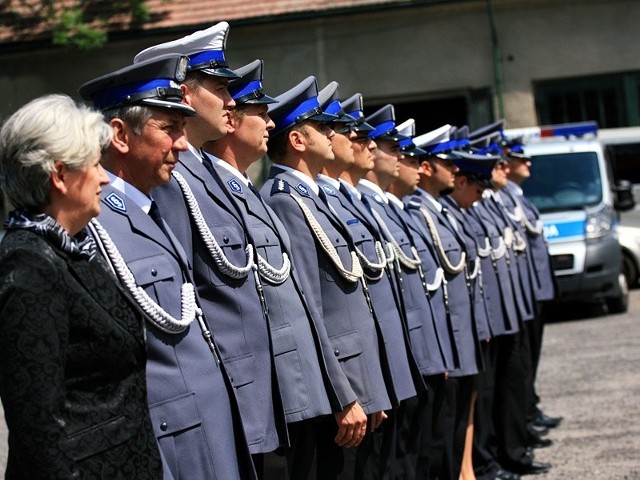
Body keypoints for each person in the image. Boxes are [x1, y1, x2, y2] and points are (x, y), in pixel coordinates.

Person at [79, 54, 257, 479]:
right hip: (171, 445)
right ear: (120, 135)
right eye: (169, 129)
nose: (181, 144)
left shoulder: (151, 210)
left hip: (206, 431)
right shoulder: (96, 227)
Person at [133, 23, 288, 474]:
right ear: (185, 93)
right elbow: (182, 292)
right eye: (220, 89)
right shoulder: (174, 176)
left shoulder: (210, 171)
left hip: (255, 386)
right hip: (229, 389)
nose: (232, 101)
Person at [0, 94, 163, 479]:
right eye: (94, 165)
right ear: (59, 175)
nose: (105, 177)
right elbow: (37, 424)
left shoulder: (74, 249)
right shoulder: (29, 265)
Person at [200, 59, 339, 480]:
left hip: (293, 382)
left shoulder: (249, 191)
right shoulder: (244, 193)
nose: (269, 122)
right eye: (260, 113)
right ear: (230, 123)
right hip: (267, 387)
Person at [262, 76, 392, 480]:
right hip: (339, 381)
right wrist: (343, 392)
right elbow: (310, 306)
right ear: (298, 140)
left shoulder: (314, 196)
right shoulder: (285, 200)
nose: (334, 134)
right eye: (324, 127)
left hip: (356, 374)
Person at [316, 88, 422, 478]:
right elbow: (316, 305)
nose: (370, 146)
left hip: (379, 362)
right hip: (353, 373)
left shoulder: (344, 199)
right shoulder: (291, 201)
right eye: (354, 135)